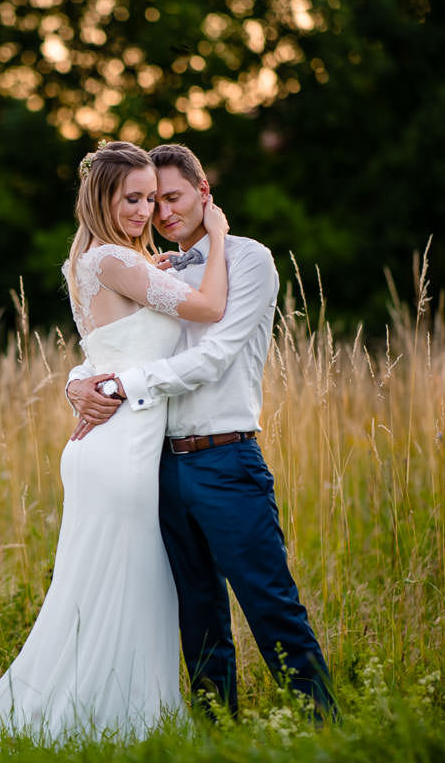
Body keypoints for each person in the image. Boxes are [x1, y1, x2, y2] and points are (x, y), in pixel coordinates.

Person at [0, 141, 231, 746]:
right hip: (121, 450)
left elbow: (108, 351)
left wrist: (77, 379)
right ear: (101, 198)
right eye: (132, 199)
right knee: (132, 585)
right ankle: (121, 721)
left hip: (109, 444)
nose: (144, 211)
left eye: (151, 199)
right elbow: (207, 308)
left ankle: (111, 715)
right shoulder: (114, 260)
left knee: (113, 585)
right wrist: (219, 234)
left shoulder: (94, 260)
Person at [66, 143, 335, 720]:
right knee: (195, 609)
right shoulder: (153, 267)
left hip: (224, 459)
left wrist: (122, 385)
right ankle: (216, 729)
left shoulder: (247, 259)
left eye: (171, 197)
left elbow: (213, 356)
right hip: (155, 463)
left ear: (203, 191)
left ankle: (322, 726)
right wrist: (76, 384)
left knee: (269, 601)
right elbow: (111, 341)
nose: (159, 212)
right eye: (148, 200)